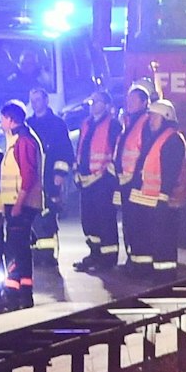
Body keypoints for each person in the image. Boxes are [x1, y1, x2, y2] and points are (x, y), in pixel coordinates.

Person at [130, 99, 186, 274]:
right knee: (150, 237)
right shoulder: (155, 137)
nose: (151, 121)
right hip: (150, 198)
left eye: (154, 118)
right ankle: (147, 271)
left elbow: (171, 172)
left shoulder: (173, 140)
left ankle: (165, 275)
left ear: (165, 118)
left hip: (165, 200)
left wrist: (163, 197)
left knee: (164, 239)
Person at [0, 101, 45, 305]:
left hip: (21, 203)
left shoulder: (23, 141)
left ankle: (17, 294)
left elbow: (28, 176)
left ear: (10, 119)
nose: (0, 122)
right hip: (18, 203)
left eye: (2, 118)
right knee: (19, 247)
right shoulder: (18, 139)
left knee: (16, 247)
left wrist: (18, 204)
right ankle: (20, 291)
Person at [113, 81, 163, 272]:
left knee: (139, 224)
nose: (129, 103)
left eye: (134, 100)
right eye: (128, 99)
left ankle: (141, 265)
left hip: (136, 181)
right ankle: (133, 260)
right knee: (129, 224)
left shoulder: (144, 122)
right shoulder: (129, 121)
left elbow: (145, 152)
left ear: (144, 103)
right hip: (126, 180)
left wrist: (135, 176)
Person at [71, 88, 124, 272]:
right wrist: (77, 171)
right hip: (86, 180)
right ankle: (95, 254)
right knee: (89, 220)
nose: (93, 105)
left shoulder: (113, 125)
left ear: (107, 105)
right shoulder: (86, 124)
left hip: (102, 181)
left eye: (98, 102)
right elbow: (81, 150)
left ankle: (108, 258)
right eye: (92, 102)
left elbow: (116, 154)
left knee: (105, 220)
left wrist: (104, 177)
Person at [24, 87, 74, 268]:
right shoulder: (28, 124)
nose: (35, 103)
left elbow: (65, 151)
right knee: (33, 215)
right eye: (32, 100)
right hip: (33, 178)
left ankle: (49, 255)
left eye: (38, 99)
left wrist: (60, 174)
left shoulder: (57, 124)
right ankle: (37, 253)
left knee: (48, 215)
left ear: (46, 101)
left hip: (50, 178)